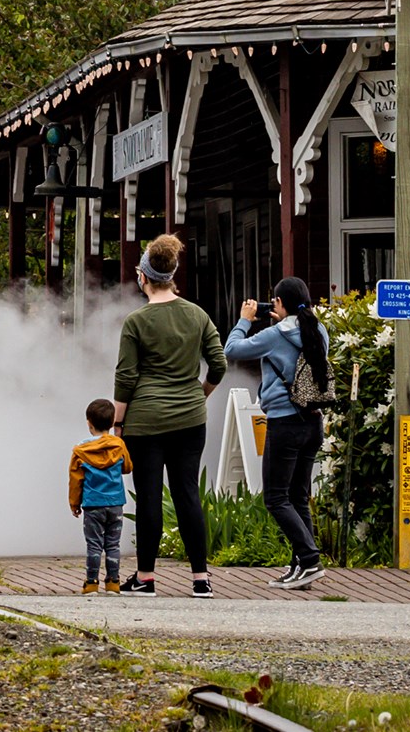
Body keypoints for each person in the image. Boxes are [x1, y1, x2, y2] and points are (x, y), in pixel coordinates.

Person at [112, 232, 226, 598]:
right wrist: (200, 394)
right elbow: (219, 364)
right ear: (172, 276)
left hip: (144, 422)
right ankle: (201, 579)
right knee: (187, 494)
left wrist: (116, 424)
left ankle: (145, 578)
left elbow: (126, 376)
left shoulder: (136, 321)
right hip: (190, 420)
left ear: (142, 276)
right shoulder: (197, 315)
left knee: (148, 498)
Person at [224, 276, 331, 590]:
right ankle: (303, 568)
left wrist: (245, 321)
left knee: (275, 498)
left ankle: (310, 559)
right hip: (312, 421)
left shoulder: (274, 334)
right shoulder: (318, 329)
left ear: (280, 303)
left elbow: (232, 349)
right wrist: (284, 320)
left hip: (285, 423)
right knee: (298, 496)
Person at [70, 397, 133, 595]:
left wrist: (74, 503)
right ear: (113, 421)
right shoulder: (118, 445)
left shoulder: (81, 451)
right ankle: (113, 582)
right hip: (115, 503)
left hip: (92, 505)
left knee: (94, 545)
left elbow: (75, 480)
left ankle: (91, 583)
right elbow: (127, 467)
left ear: (89, 424)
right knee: (113, 544)